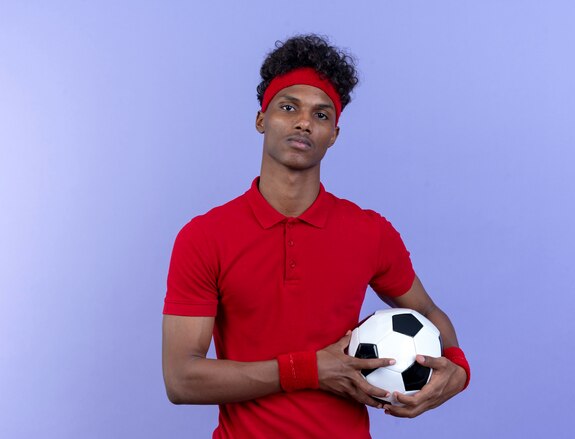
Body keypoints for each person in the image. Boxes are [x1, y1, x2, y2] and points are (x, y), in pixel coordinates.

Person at [162, 34, 470, 439]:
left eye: (321, 115)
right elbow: (181, 379)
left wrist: (458, 370)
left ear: (334, 134)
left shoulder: (369, 232)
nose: (304, 121)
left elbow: (430, 315)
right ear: (261, 119)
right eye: (288, 107)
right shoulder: (204, 237)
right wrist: (310, 370)